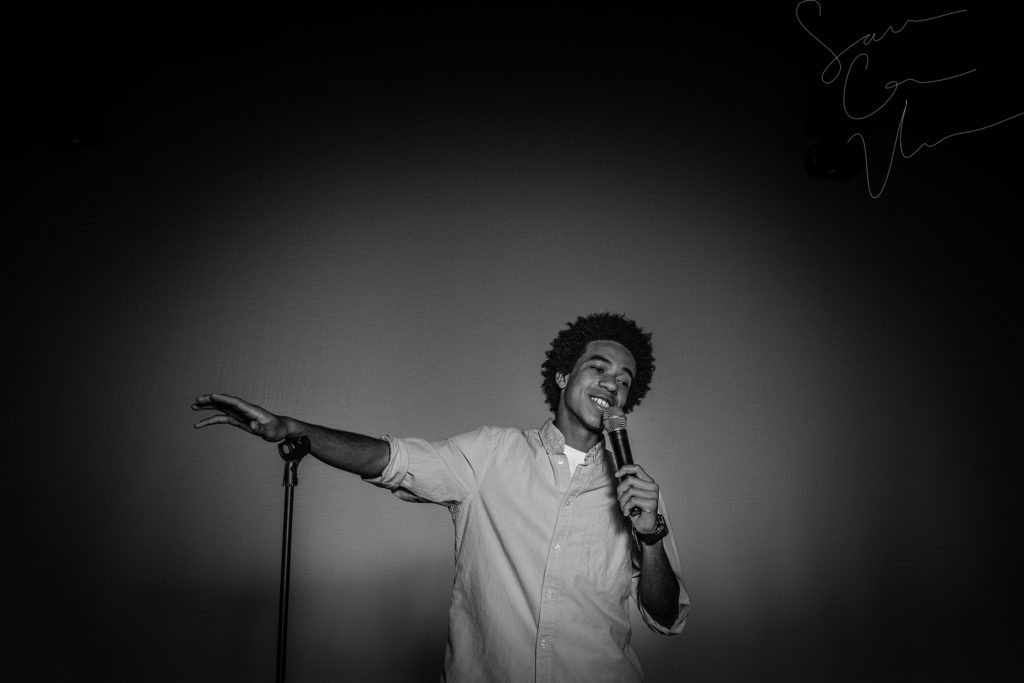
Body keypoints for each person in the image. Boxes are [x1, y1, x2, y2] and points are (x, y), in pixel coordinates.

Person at [192, 312, 690, 681]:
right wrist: (291, 428)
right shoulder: (491, 454)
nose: (611, 385)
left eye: (624, 382)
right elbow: (390, 459)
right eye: (598, 369)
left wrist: (651, 535)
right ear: (563, 376)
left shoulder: (638, 491)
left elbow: (666, 616)